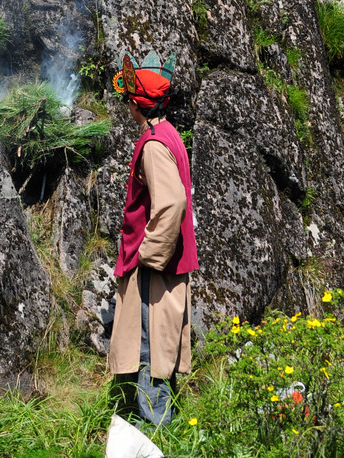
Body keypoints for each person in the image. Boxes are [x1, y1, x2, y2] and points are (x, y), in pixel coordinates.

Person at [108, 52, 198, 426]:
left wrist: (149, 253)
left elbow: (173, 200)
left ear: (136, 102)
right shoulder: (168, 133)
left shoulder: (153, 144)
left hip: (153, 267)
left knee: (150, 346)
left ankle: (154, 432)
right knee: (157, 340)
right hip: (164, 261)